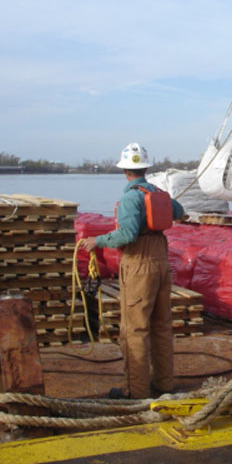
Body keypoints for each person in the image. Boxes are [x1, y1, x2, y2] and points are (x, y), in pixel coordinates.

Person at [79, 142, 185, 399]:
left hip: (139, 265)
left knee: (135, 329)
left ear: (125, 170)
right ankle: (163, 385)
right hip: (161, 261)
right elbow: (180, 213)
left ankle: (135, 391)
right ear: (145, 167)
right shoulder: (157, 193)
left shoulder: (130, 198)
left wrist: (98, 241)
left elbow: (126, 235)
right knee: (161, 326)